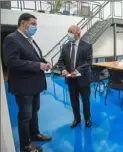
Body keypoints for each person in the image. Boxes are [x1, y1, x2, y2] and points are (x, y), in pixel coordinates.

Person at [3, 13, 52, 152]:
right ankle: (25, 145)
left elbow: (34, 57)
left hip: (34, 84)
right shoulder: (12, 39)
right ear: (23, 23)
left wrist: (43, 63)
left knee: (34, 111)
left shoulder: (29, 39)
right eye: (33, 24)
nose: (35, 27)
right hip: (23, 85)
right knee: (25, 116)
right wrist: (37, 66)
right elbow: (11, 62)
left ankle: (35, 134)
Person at [57, 25, 93, 128]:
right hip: (71, 80)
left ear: (78, 33)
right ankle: (76, 119)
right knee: (74, 100)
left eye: (71, 32)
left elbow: (89, 62)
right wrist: (63, 70)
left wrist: (77, 71)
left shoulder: (87, 46)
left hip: (83, 79)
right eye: (68, 31)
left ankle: (87, 119)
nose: (69, 34)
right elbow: (61, 61)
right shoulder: (65, 46)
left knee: (85, 100)